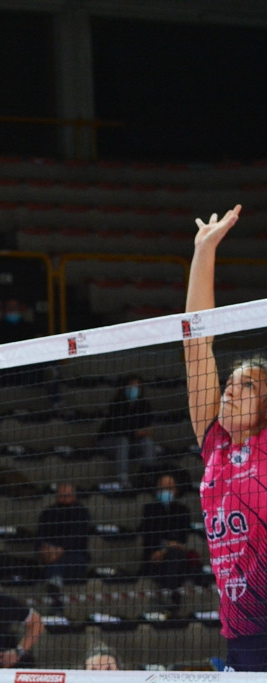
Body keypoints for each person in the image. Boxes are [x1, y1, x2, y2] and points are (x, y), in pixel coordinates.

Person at [183, 203, 267, 672]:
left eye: (247, 385)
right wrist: (203, 252)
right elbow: (197, 345)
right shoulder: (214, 445)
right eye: (230, 383)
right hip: (242, 632)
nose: (230, 390)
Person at [138, 473, 198, 611]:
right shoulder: (150, 510)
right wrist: (161, 550)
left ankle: (168, 594)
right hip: (154, 558)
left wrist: (168, 549)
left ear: (176, 490)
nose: (166, 492)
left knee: (174, 555)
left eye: (169, 488)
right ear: (157, 491)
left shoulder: (183, 511)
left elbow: (182, 539)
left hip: (176, 555)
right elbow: (148, 537)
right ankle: (172, 596)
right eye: (162, 488)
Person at [35, 482, 91, 612]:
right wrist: (45, 550)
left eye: (67, 496)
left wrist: (60, 550)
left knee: (57, 564)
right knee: (51, 563)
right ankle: (55, 595)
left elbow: (77, 537)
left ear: (74, 496)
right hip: (50, 556)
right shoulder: (48, 513)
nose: (64, 500)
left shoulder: (81, 513)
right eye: (61, 496)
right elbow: (39, 537)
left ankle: (55, 589)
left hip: (75, 558)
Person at [99, 373, 157, 488]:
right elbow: (117, 429)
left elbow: (147, 428)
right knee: (123, 441)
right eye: (131, 386)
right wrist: (136, 433)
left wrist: (143, 432)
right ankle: (123, 479)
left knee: (147, 442)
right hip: (110, 442)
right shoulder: (116, 404)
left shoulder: (144, 405)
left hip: (132, 444)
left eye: (137, 386)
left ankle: (147, 475)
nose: (134, 389)